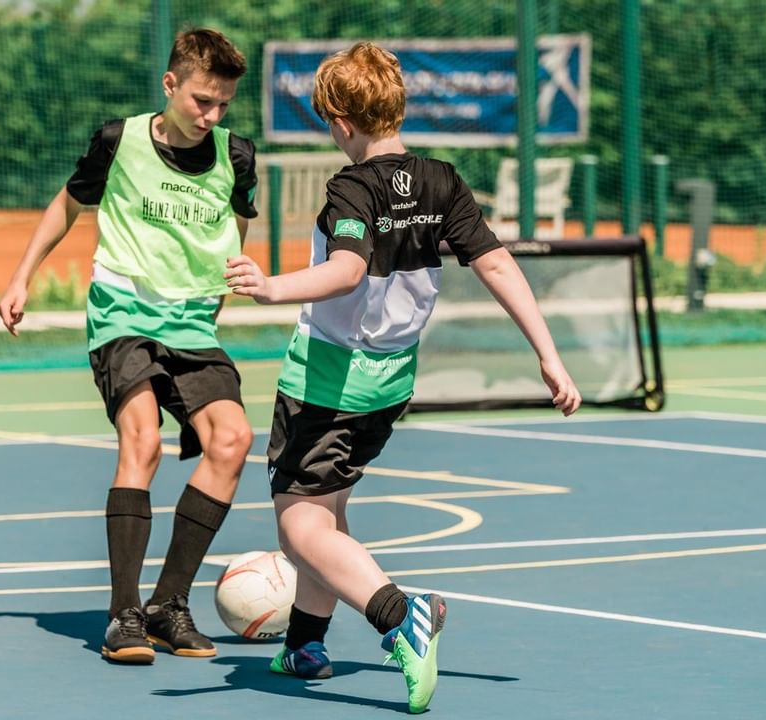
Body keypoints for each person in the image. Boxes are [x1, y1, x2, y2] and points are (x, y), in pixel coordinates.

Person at [223, 42, 581, 713]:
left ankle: (398, 616)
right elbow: (498, 264)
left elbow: (348, 270)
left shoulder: (351, 188)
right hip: (390, 385)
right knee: (327, 511)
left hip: (328, 382)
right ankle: (305, 643)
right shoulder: (441, 180)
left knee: (300, 530)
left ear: (339, 122)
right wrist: (549, 353)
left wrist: (270, 288)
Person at [0, 28, 258, 665]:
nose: (211, 115)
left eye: (222, 104)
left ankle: (170, 604)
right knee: (140, 437)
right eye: (201, 100)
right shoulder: (120, 140)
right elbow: (68, 203)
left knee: (233, 439)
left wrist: (220, 296)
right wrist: (21, 274)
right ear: (169, 86)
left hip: (193, 327)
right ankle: (123, 615)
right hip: (123, 318)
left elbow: (237, 230)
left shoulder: (237, 155)